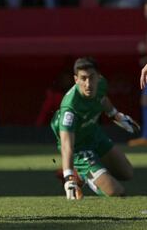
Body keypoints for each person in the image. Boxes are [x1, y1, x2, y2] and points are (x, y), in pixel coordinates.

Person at [50, 57, 139, 200]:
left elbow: (102, 99)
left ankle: (89, 172)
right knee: (117, 192)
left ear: (98, 77)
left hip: (95, 135)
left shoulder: (101, 84)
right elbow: (67, 145)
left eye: (91, 78)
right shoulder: (70, 107)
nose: (88, 84)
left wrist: (117, 116)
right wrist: (68, 177)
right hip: (79, 148)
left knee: (127, 173)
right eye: (83, 78)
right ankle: (78, 173)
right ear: (76, 79)